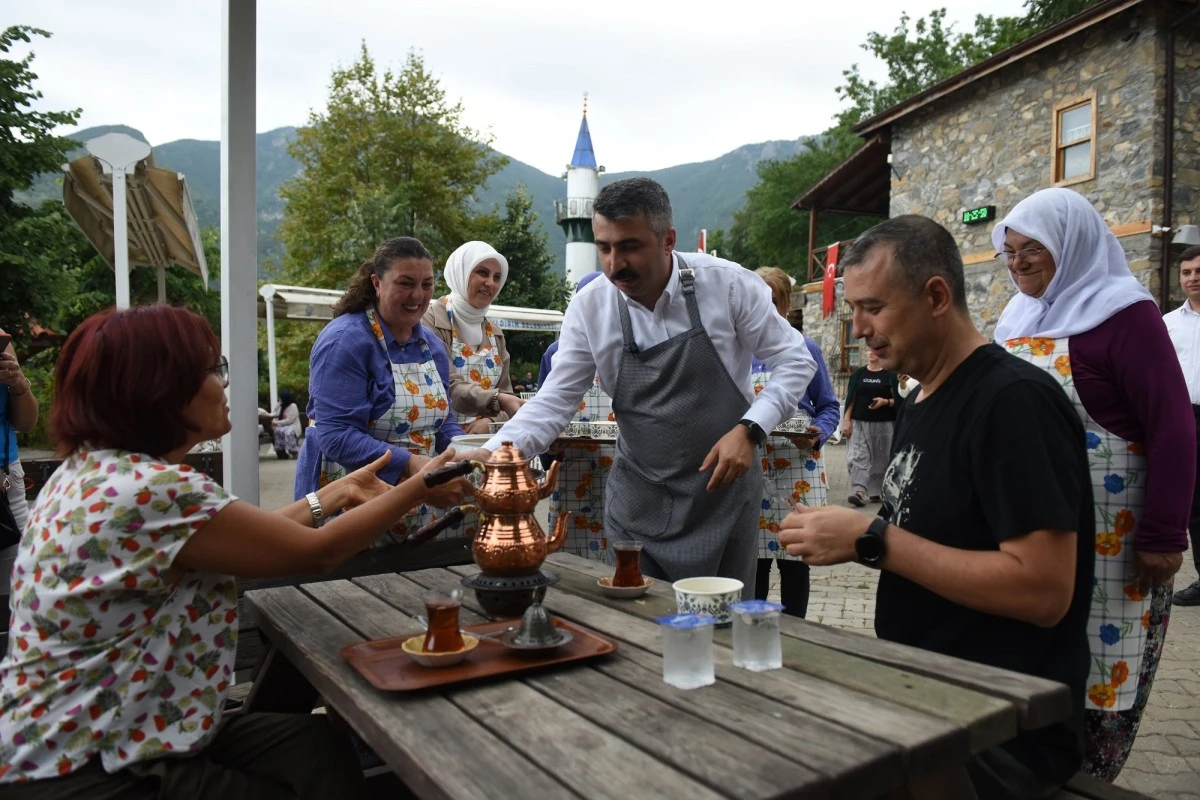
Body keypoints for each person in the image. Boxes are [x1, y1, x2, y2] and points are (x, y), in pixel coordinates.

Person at [0, 304, 471, 797]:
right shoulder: (151, 490)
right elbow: (316, 553)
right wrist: (422, 484)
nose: (224, 384)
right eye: (211, 370)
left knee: (309, 746)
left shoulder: (96, 472)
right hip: (89, 764)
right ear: (157, 388)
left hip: (127, 726)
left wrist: (333, 493)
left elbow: (251, 535)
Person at [780, 215, 1094, 799]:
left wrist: (871, 539)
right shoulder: (921, 395)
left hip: (999, 732)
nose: (859, 329)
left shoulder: (1014, 403)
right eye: (853, 310)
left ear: (936, 296)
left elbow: (1045, 592)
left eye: (873, 307)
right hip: (920, 696)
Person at [464, 178, 816, 595]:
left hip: (722, 496)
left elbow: (795, 359)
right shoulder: (591, 305)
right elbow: (555, 401)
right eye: (604, 247)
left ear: (668, 239)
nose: (615, 264)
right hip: (639, 500)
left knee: (720, 630)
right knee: (638, 621)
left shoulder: (729, 285)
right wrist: (491, 455)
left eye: (629, 246)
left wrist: (750, 429)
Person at [992, 188, 1191, 781]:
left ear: (1071, 244)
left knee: (1103, 675)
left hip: (1114, 535)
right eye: (1010, 251)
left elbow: (1174, 426)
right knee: (1032, 657)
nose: (1019, 262)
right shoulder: (1014, 317)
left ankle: (1087, 782)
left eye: (1034, 249)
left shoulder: (1125, 314)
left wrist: (1163, 533)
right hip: (1031, 525)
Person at [295, 237, 473, 541]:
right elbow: (336, 435)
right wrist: (412, 466)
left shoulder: (431, 345)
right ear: (377, 283)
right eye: (405, 283)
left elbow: (442, 424)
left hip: (421, 494)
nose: (417, 295)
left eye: (427, 285)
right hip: (352, 497)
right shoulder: (345, 342)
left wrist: (465, 454)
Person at [750, 267, 839, 619]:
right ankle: (753, 627)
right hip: (754, 466)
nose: (766, 310)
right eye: (759, 301)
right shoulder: (740, 349)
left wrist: (819, 430)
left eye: (774, 302)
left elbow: (829, 405)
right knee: (753, 563)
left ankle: (795, 633)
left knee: (795, 561)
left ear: (786, 305)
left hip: (798, 467)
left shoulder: (807, 348)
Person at [422, 241, 524, 435]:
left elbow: (508, 395)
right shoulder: (431, 321)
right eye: (482, 273)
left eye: (497, 277)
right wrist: (496, 399)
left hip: (485, 445)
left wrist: (491, 419)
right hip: (440, 441)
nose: (490, 283)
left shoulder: (495, 334)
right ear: (460, 272)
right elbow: (447, 386)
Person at [1165, 244, 1200, 607]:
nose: (1193, 278)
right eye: (1187, 272)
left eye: (1199, 272)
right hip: (1186, 418)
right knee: (1195, 505)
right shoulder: (1168, 325)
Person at [0, 327, 36, 601]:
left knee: (15, 591)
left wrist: (18, 384)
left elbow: (26, 423)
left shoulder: (1, 341)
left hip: (6, 482)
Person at [842, 349, 899, 507]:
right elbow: (851, 399)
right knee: (858, 456)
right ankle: (858, 491)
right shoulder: (858, 374)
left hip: (884, 423)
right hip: (859, 422)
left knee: (881, 458)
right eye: (869, 350)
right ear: (865, 353)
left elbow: (898, 400)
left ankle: (876, 492)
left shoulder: (890, 375)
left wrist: (885, 402)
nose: (871, 352)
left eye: (875, 350)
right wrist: (846, 420)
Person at [271, 389, 302, 459]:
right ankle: (280, 451)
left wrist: (277, 422)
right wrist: (278, 404)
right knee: (277, 431)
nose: (279, 399)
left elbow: (290, 420)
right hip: (283, 426)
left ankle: (293, 450)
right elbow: (274, 413)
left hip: (293, 426)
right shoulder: (281, 406)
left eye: (280, 398)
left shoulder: (293, 406)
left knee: (288, 432)